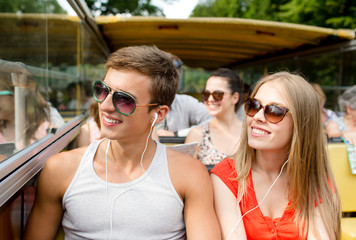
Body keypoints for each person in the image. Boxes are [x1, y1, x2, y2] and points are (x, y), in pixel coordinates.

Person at [24, 45, 220, 239]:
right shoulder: (61, 169)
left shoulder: (190, 174)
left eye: (124, 100)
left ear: (158, 114)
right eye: (102, 91)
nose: (105, 106)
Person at [211, 72, 341, 240]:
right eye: (253, 105)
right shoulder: (226, 177)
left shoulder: (316, 181)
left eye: (274, 111)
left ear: (301, 123)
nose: (257, 117)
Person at [185, 68, 243, 165]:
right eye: (206, 94)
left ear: (235, 98)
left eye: (217, 94)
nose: (210, 99)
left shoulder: (250, 133)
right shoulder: (197, 135)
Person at [156, 53, 212, 137]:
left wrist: (176, 134)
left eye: (176, 76)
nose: (172, 82)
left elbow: (214, 122)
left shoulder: (186, 102)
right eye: (167, 76)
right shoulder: (139, 102)